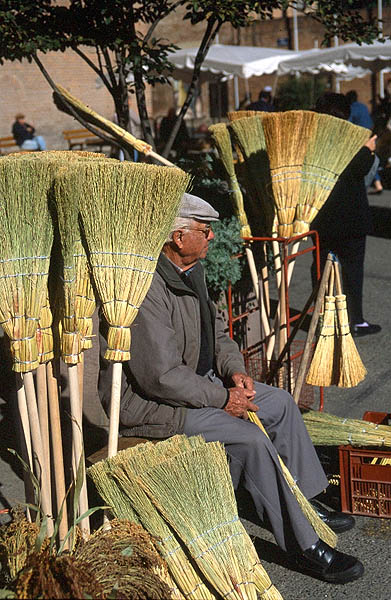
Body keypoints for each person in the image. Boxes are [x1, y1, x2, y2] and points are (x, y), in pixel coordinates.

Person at [99, 192, 364, 584]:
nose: (211, 239)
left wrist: (235, 371)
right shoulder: (147, 289)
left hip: (200, 384)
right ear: (177, 236)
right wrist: (224, 398)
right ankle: (305, 544)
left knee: (279, 403)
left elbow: (219, 333)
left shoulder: (193, 271)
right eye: (205, 232)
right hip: (157, 407)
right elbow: (161, 377)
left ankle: (305, 501)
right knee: (248, 440)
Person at [311, 92, 381, 337]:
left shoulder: (312, 138)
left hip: (320, 215)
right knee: (352, 272)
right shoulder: (349, 137)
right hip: (351, 218)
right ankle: (355, 320)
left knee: (321, 269)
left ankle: (323, 319)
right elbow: (359, 168)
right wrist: (369, 150)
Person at [346, 90, 383, 193]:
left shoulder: (352, 108)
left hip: (359, 138)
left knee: (363, 160)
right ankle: (378, 183)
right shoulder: (363, 107)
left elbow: (349, 123)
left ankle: (370, 185)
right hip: (370, 134)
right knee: (372, 159)